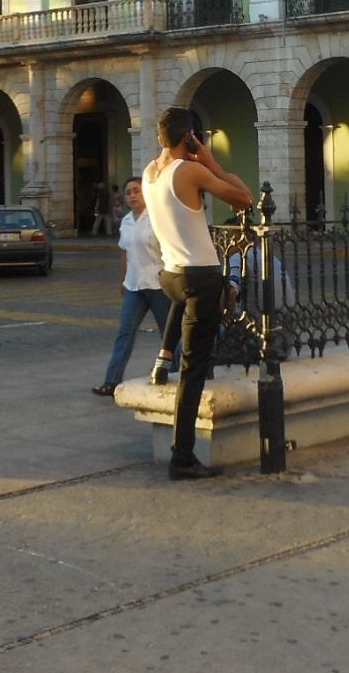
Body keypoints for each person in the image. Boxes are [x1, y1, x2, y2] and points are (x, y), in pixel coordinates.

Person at [142, 106, 254, 480]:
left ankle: (162, 357)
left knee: (185, 325)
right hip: (200, 277)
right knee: (192, 372)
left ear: (160, 137)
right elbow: (244, 197)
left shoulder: (149, 173)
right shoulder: (189, 170)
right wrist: (210, 161)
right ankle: (182, 457)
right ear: (189, 137)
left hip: (171, 275)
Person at [94, 177, 170, 396]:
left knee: (168, 336)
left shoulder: (157, 218)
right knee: (125, 333)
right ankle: (112, 381)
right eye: (128, 193)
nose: (132, 196)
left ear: (147, 193)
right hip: (134, 286)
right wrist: (123, 279)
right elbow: (125, 252)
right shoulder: (126, 221)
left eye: (137, 191)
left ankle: (174, 375)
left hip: (159, 285)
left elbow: (169, 250)